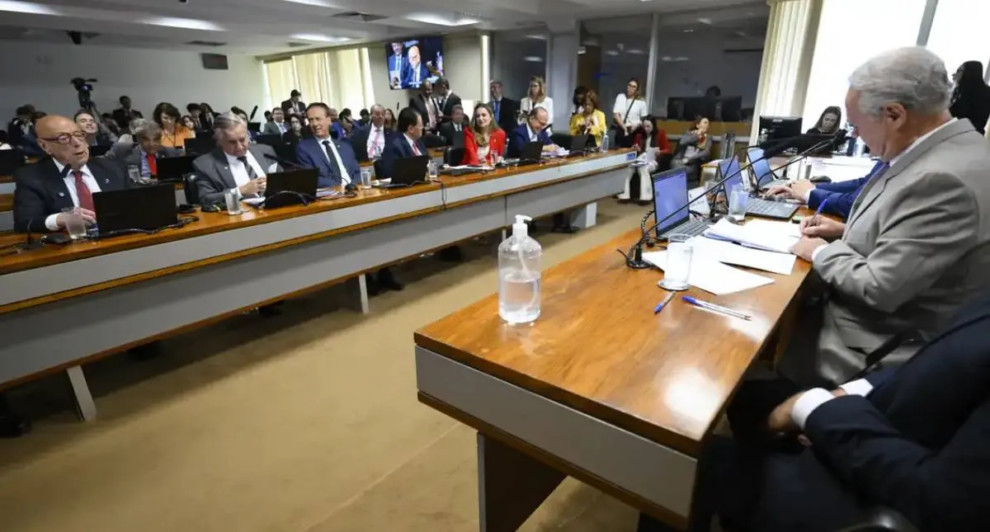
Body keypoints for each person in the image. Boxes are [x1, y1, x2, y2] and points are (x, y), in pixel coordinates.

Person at [637, 291, 990, 532]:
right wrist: (851, 392)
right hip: (881, 419)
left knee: (675, 459)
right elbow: (937, 361)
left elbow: (945, 502)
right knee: (749, 397)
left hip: (871, 499)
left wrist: (813, 408)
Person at [781, 46, 990, 386]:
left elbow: (879, 287)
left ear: (894, 115)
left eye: (856, 125)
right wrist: (846, 231)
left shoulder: (941, 179)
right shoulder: (956, 149)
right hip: (881, 332)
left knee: (741, 352)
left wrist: (818, 251)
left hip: (871, 353)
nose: (856, 136)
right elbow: (920, 247)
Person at [12, 115, 129, 233]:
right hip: (73, 241)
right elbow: (24, 223)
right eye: (64, 138)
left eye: (79, 135)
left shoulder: (111, 167)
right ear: (45, 146)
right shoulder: (32, 177)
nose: (77, 143)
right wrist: (60, 219)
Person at [192, 112, 281, 206]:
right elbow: (206, 200)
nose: (239, 147)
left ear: (248, 135)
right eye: (232, 142)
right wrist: (240, 191)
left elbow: (283, 183)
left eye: (242, 140)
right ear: (219, 141)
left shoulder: (265, 151)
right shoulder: (205, 164)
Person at [765, 161, 885, 220]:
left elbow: (852, 204)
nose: (855, 134)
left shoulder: (891, 163)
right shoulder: (888, 160)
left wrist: (809, 193)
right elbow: (861, 183)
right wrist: (805, 189)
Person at [295, 103, 361, 189]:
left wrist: (352, 186)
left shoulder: (345, 146)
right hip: (331, 193)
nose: (314, 124)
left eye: (318, 119)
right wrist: (341, 188)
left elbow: (357, 172)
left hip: (355, 191)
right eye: (310, 120)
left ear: (329, 120)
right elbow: (312, 178)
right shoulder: (304, 149)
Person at [104, 119, 181, 180]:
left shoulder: (171, 152)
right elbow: (103, 166)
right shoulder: (122, 150)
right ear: (138, 139)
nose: (151, 144)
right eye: (146, 139)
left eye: (156, 139)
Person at [618, 116, 665, 202]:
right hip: (641, 159)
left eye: (648, 126)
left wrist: (660, 152)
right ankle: (624, 194)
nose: (646, 129)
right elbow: (637, 149)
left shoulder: (660, 134)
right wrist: (636, 149)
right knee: (628, 168)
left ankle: (646, 197)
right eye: (644, 126)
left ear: (653, 126)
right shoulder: (639, 135)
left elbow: (667, 149)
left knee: (643, 168)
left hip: (653, 161)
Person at [380, 107, 427, 179]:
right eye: (420, 125)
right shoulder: (393, 146)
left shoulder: (418, 141)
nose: (422, 128)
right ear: (411, 129)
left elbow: (427, 161)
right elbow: (391, 174)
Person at [949, 60, 990, 135]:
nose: (955, 74)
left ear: (969, 72)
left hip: (961, 133)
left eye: (959, 71)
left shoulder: (967, 92)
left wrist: (955, 85)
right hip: (976, 135)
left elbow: (953, 114)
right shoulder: (986, 90)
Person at [671, 116, 712, 187]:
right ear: (697, 125)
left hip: (692, 164)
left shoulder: (708, 137)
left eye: (708, 123)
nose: (707, 125)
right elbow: (682, 142)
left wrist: (689, 159)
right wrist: (697, 135)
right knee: (676, 165)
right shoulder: (689, 133)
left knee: (680, 170)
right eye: (705, 122)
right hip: (679, 160)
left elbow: (706, 152)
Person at [611, 78, 649, 146]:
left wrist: (637, 125)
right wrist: (624, 128)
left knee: (632, 149)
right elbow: (616, 114)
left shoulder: (641, 102)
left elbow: (644, 118)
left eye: (634, 87)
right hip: (622, 129)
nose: (630, 88)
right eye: (629, 85)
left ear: (637, 89)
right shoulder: (621, 97)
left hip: (634, 130)